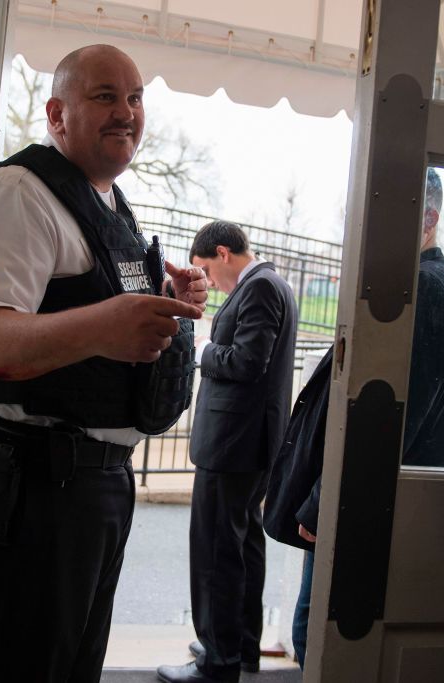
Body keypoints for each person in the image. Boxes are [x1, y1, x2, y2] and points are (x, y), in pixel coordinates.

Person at [0, 44, 207, 682]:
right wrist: (104, 327)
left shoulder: (109, 205)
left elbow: (97, 317)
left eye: (136, 98)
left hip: (96, 488)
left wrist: (169, 304)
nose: (127, 113)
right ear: (57, 114)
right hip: (40, 489)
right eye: (105, 97)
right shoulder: (21, 194)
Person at [263, 168, 444, 667]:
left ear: (428, 219)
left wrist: (324, 504)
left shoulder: (426, 290)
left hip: (371, 510)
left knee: (319, 642)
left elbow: (390, 424)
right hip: (365, 505)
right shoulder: (414, 285)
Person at [157, 222, 299, 683]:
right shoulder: (273, 284)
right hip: (252, 443)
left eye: (205, 269)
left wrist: (204, 350)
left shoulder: (259, 288)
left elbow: (246, 361)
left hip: (233, 445)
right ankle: (239, 646)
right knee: (243, 545)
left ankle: (217, 662)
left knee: (217, 552)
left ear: (222, 251)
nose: (208, 282)